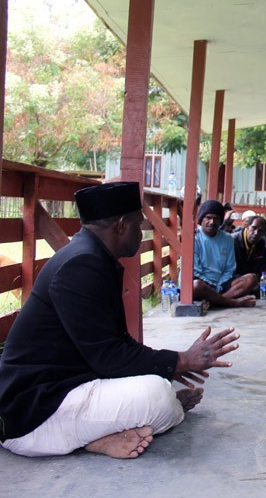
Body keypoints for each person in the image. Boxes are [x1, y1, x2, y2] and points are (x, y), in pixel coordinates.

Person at [0, 182, 241, 459]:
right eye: (139, 225)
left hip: (66, 387)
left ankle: (102, 435)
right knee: (159, 396)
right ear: (122, 226)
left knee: (159, 382)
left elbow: (117, 342)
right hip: (32, 412)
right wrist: (181, 361)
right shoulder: (82, 266)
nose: (141, 233)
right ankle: (100, 436)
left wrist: (170, 364)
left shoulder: (93, 257)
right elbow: (109, 357)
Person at [192, 199, 257, 308]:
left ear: (221, 220)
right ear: (201, 219)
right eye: (208, 218)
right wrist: (210, 285)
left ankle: (216, 302)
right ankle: (233, 302)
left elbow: (230, 268)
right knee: (196, 286)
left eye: (216, 218)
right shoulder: (194, 238)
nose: (212, 222)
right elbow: (195, 271)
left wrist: (219, 285)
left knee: (251, 278)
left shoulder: (227, 238)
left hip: (222, 285)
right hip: (203, 284)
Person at [231, 214, 266, 295]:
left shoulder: (260, 242)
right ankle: (257, 291)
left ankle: (256, 290)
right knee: (251, 279)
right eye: (253, 228)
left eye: (261, 231)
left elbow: (265, 263)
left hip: (252, 278)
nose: (256, 233)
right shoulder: (232, 241)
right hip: (235, 278)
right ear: (247, 227)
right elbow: (228, 271)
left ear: (264, 233)